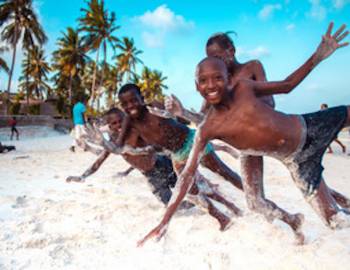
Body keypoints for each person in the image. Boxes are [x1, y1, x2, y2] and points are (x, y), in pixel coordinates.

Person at [138, 22, 350, 246]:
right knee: (335, 220)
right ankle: (296, 220)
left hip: (307, 128)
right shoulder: (210, 120)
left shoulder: (245, 83)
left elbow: (286, 86)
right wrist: (164, 221)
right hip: (289, 157)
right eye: (204, 80)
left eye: (218, 74)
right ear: (197, 86)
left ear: (230, 58)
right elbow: (187, 172)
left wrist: (319, 55)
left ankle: (338, 201)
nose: (211, 83)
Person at [67, 108, 178, 205]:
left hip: (163, 164)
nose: (119, 125)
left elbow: (153, 148)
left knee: (190, 189)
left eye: (121, 121)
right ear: (109, 126)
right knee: (173, 206)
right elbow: (99, 162)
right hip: (151, 175)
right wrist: (82, 176)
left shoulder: (136, 132)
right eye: (114, 123)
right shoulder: (113, 142)